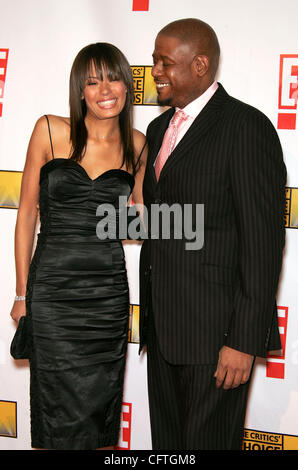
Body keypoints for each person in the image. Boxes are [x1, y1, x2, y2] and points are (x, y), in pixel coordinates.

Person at [139, 18, 286, 450]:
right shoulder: (157, 130)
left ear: (200, 65)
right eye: (153, 62)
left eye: (165, 62)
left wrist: (242, 341)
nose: (156, 72)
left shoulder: (245, 127)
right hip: (163, 334)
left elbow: (262, 244)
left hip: (216, 338)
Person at [10, 42, 147, 450]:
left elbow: (138, 223)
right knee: (54, 418)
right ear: (79, 90)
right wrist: (22, 293)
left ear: (127, 84)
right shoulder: (50, 130)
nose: (105, 89)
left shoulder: (137, 145)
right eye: (92, 81)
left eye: (114, 77)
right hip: (52, 293)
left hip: (106, 297)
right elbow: (27, 215)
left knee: (100, 414)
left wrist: (196, 221)